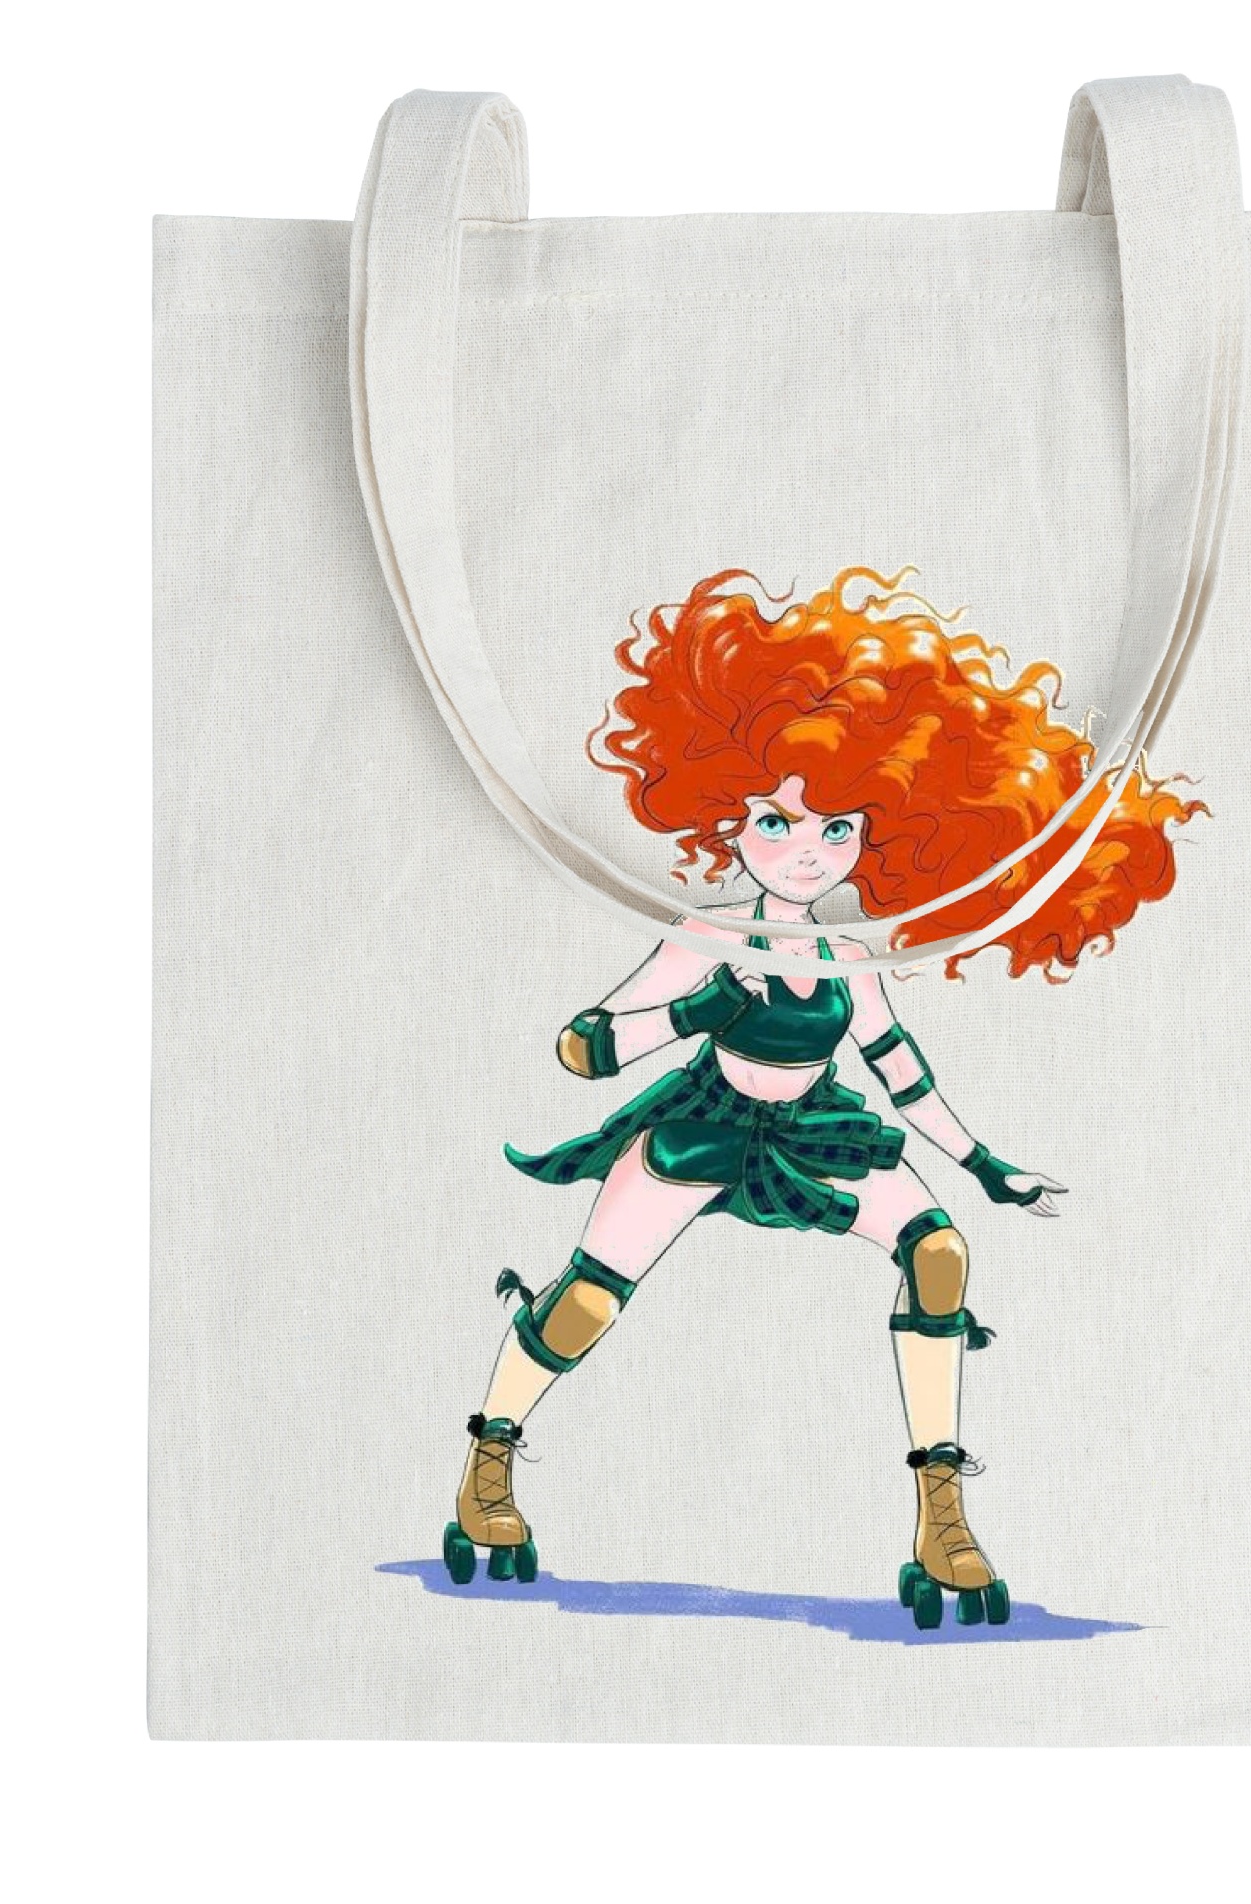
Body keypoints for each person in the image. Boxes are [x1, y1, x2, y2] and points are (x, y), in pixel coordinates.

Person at [444, 568, 1204, 1629]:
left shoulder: (847, 952)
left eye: (838, 829)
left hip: (816, 1128)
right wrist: (697, 1010)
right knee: (589, 1296)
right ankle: (489, 1467)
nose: (806, 852)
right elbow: (586, 1047)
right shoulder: (708, 933)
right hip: (699, 1124)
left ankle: (941, 1518)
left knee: (939, 1252)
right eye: (776, 820)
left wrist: (982, 1164)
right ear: (722, 814)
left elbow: (898, 1064)